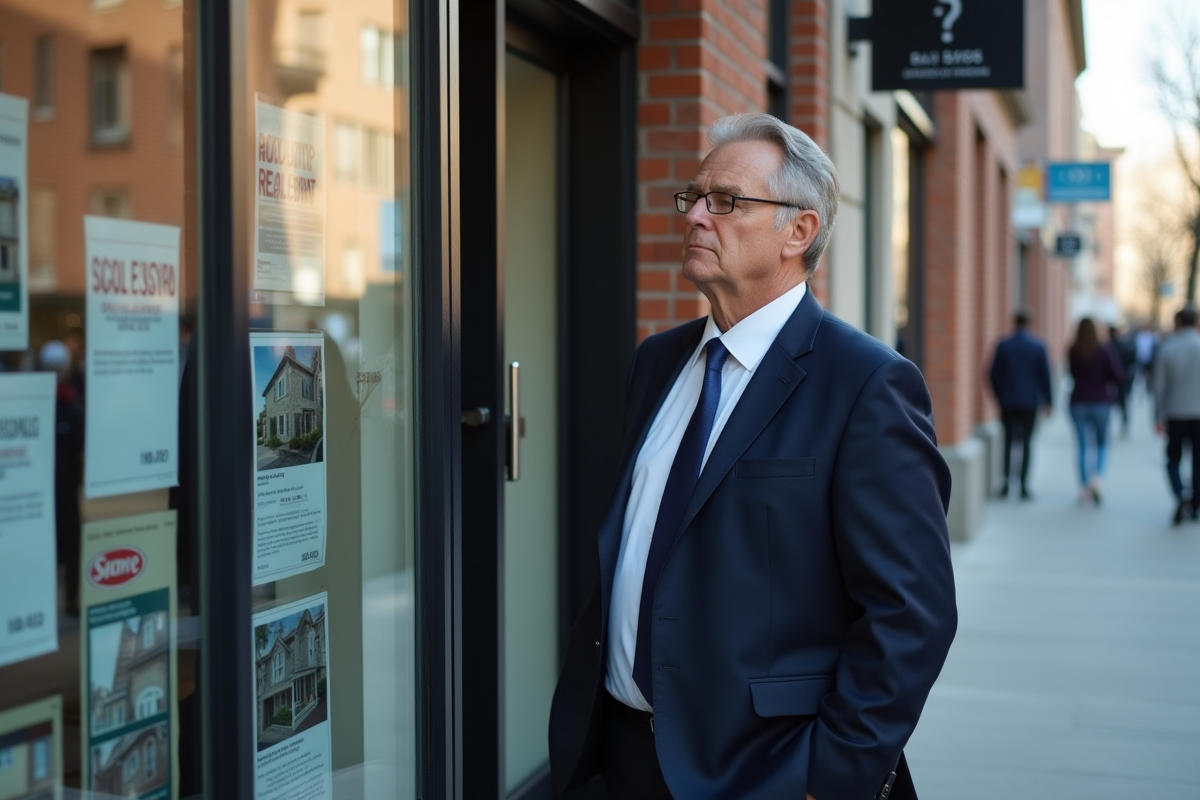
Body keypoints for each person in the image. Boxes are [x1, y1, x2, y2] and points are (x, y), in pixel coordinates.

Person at [548, 114, 957, 800]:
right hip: (620, 756)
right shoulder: (657, 362)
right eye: (696, 197)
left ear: (799, 232)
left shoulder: (865, 385)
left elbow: (911, 615)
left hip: (763, 769)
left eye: (728, 201)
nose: (698, 216)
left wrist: (825, 778)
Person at [988, 310, 1054, 499]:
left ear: (1014, 322)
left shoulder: (1004, 345)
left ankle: (1007, 483)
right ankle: (1024, 486)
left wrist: (999, 394)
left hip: (1007, 402)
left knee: (1008, 443)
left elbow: (992, 374)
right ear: (1029, 323)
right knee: (1026, 443)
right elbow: (1045, 376)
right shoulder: (1038, 346)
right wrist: (1048, 401)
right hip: (1030, 402)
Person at [1066, 318, 1124, 505]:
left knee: (1082, 446)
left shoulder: (1073, 350)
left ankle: (1085, 488)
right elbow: (1117, 375)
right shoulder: (1104, 350)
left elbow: (1072, 374)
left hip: (1078, 401)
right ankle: (1096, 479)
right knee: (1102, 444)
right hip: (1101, 401)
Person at [1152, 306, 1200, 524]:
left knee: (1173, 459)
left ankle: (1180, 493)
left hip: (1176, 414)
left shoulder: (1167, 348)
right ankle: (1195, 505)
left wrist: (1158, 417)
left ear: (1177, 323)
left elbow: (1159, 387)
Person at [1107, 324, 1138, 436]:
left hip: (1109, 380)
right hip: (1122, 379)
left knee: (1109, 403)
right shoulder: (1123, 345)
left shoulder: (1107, 346)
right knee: (1123, 402)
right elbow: (1133, 359)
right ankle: (1124, 424)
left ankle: (1109, 424)